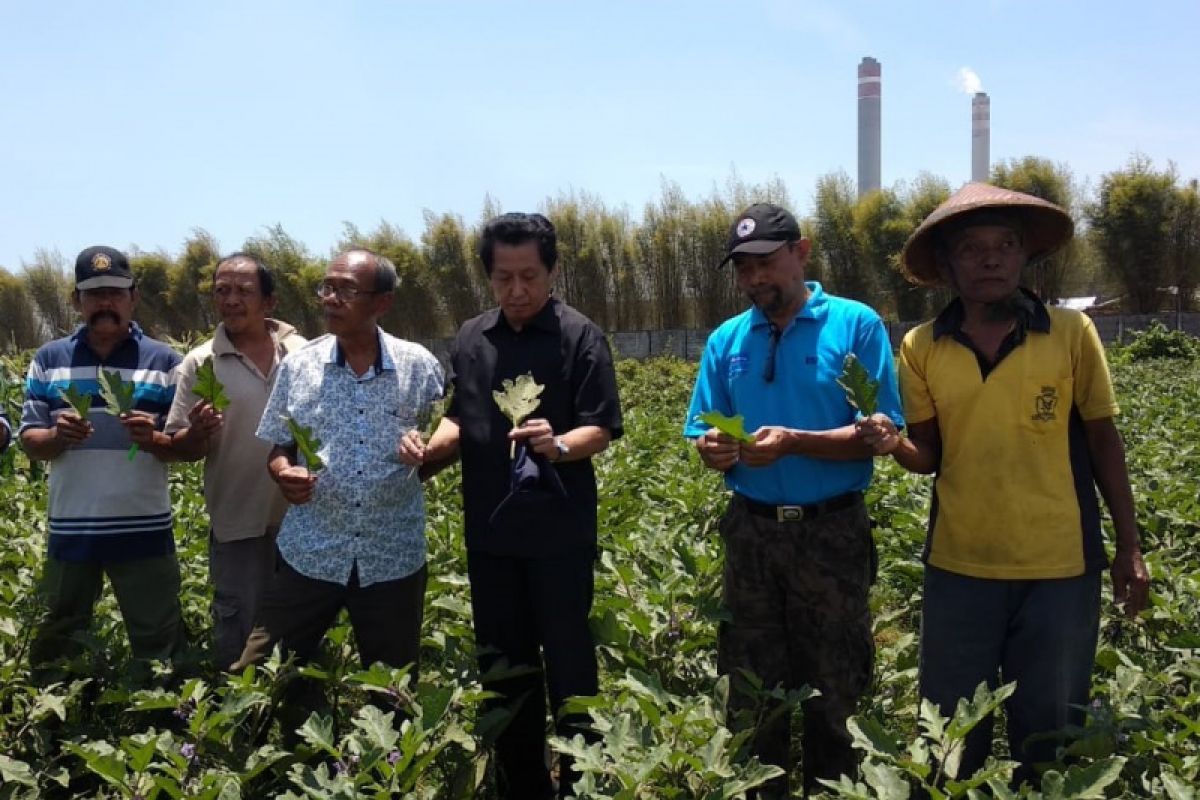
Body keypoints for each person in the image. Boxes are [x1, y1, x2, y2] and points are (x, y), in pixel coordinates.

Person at [856, 183, 1151, 784]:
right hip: (960, 565)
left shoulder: (1071, 332)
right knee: (948, 735)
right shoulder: (920, 346)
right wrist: (893, 445)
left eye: (1005, 245)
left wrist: (1129, 546)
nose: (990, 259)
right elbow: (929, 456)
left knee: (1047, 733)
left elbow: (1103, 442)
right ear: (946, 265)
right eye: (972, 248)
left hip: (1060, 567)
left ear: (1024, 257)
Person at [683, 203, 903, 797]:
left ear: (801, 253)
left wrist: (794, 443)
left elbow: (877, 432)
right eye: (743, 269)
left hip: (830, 534)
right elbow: (703, 428)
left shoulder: (856, 325)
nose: (755, 279)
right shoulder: (727, 338)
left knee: (836, 687)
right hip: (750, 535)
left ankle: (834, 788)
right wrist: (716, 449)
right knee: (752, 688)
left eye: (767, 263)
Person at [402, 212, 623, 799]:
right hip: (491, 535)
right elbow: (461, 414)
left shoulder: (580, 336)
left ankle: (583, 783)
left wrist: (559, 445)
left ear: (551, 270)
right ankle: (521, 784)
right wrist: (429, 450)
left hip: (560, 535)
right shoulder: (473, 337)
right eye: (504, 278)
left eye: (529, 276)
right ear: (489, 277)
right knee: (503, 666)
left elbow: (600, 427)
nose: (517, 291)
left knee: (570, 662)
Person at [232, 250, 442, 692]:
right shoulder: (300, 366)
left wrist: (427, 450)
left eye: (346, 290)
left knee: (393, 690)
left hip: (392, 554)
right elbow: (279, 447)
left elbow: (450, 430)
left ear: (382, 302)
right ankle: (258, 756)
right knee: (261, 677)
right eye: (326, 287)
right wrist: (284, 473)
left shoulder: (419, 366)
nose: (330, 298)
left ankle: (385, 760)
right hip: (311, 550)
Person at [19, 245, 184, 668]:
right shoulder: (49, 360)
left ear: (134, 296)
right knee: (60, 636)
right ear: (77, 301)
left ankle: (163, 725)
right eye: (93, 294)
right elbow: (30, 440)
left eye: (115, 292)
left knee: (157, 642)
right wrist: (57, 436)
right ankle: (57, 727)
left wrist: (155, 440)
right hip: (72, 529)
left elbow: (189, 447)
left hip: (144, 529)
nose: (104, 303)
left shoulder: (165, 362)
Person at [165, 252, 307, 669]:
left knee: (301, 631)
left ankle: (294, 718)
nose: (231, 300)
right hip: (236, 521)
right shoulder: (201, 362)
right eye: (222, 291)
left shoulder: (304, 354)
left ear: (270, 302)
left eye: (244, 291)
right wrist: (197, 432)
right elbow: (182, 449)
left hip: (305, 518)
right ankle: (242, 726)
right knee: (239, 633)